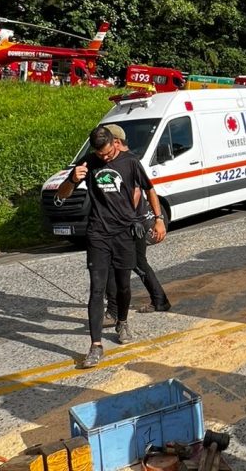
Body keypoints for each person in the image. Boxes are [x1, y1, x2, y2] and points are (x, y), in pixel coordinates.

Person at [55, 126, 167, 368]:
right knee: (97, 289)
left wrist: (158, 219)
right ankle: (95, 345)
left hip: (124, 233)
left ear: (115, 143)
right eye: (100, 155)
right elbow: (63, 194)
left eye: (107, 154)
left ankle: (122, 322)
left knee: (124, 286)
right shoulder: (89, 162)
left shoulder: (131, 162)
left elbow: (149, 190)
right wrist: (73, 179)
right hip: (98, 234)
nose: (104, 159)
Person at [100, 124, 171, 327]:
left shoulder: (127, 161)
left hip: (132, 223)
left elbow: (138, 192)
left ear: (116, 142)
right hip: (136, 221)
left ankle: (113, 311)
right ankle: (160, 300)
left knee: (117, 266)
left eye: (106, 143)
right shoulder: (126, 159)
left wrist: (126, 217)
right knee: (139, 263)